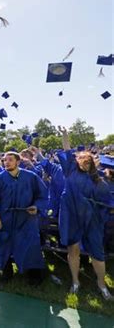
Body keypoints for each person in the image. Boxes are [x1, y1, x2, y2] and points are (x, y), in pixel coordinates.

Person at [57, 127, 113, 300]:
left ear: (93, 163)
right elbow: (67, 151)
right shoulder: (70, 171)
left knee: (97, 252)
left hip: (92, 221)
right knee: (73, 250)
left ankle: (102, 285)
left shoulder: (99, 182)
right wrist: (65, 136)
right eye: (81, 159)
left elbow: (107, 203)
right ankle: (75, 282)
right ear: (77, 161)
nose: (84, 162)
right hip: (72, 218)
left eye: (88, 161)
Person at [0, 151, 48, 286]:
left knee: (30, 245)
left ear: (18, 162)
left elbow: (42, 195)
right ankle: (6, 273)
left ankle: (33, 275)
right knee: (4, 244)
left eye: (10, 159)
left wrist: (36, 207)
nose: (6, 162)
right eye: (4, 160)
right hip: (5, 217)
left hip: (26, 218)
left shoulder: (30, 177)